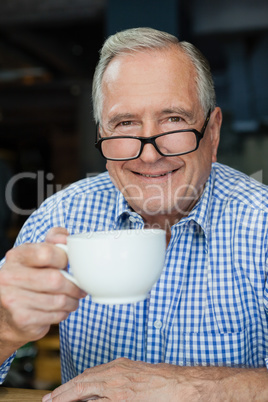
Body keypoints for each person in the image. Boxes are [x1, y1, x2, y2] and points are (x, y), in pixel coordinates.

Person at [0, 27, 268, 401]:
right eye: (125, 124)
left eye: (173, 119)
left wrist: (196, 389)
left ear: (213, 132)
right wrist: (6, 326)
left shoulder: (262, 224)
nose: (148, 154)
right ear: (102, 134)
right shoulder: (60, 216)